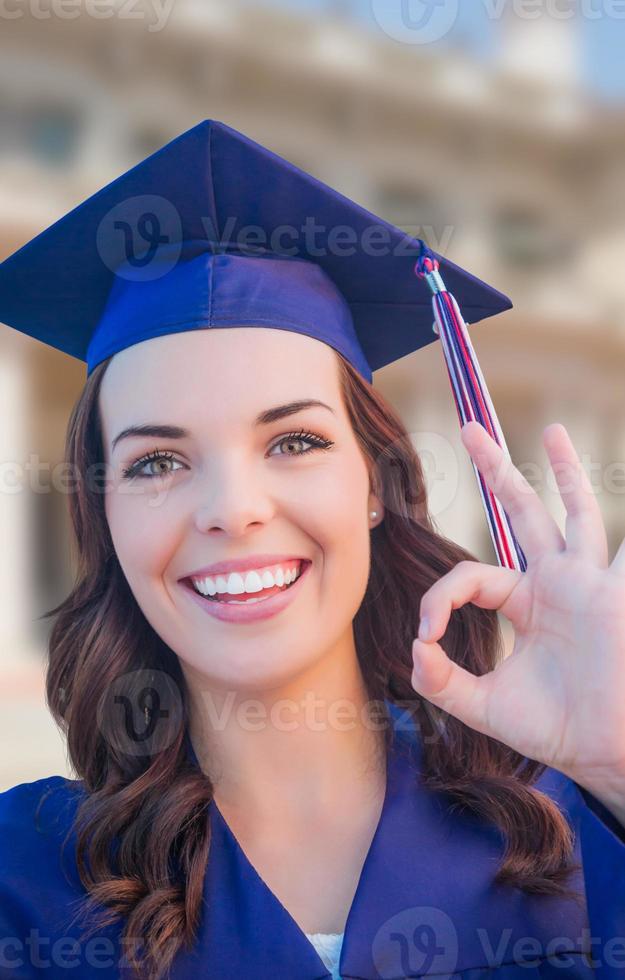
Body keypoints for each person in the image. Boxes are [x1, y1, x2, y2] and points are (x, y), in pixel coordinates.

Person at [0, 119, 623, 980]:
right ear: (104, 514)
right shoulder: (24, 882)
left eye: (293, 441)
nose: (233, 510)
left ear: (375, 484)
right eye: (157, 461)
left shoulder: (575, 834)